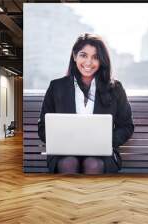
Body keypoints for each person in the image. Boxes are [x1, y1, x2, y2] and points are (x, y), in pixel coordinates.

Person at [38, 33, 134, 174]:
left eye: (95, 57)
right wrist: (60, 140)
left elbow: (126, 126)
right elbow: (42, 127)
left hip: (102, 154)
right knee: (69, 163)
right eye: (83, 55)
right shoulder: (57, 87)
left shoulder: (115, 88)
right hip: (64, 153)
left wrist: (106, 142)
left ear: (101, 61)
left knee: (93, 164)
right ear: (75, 56)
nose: (88, 62)